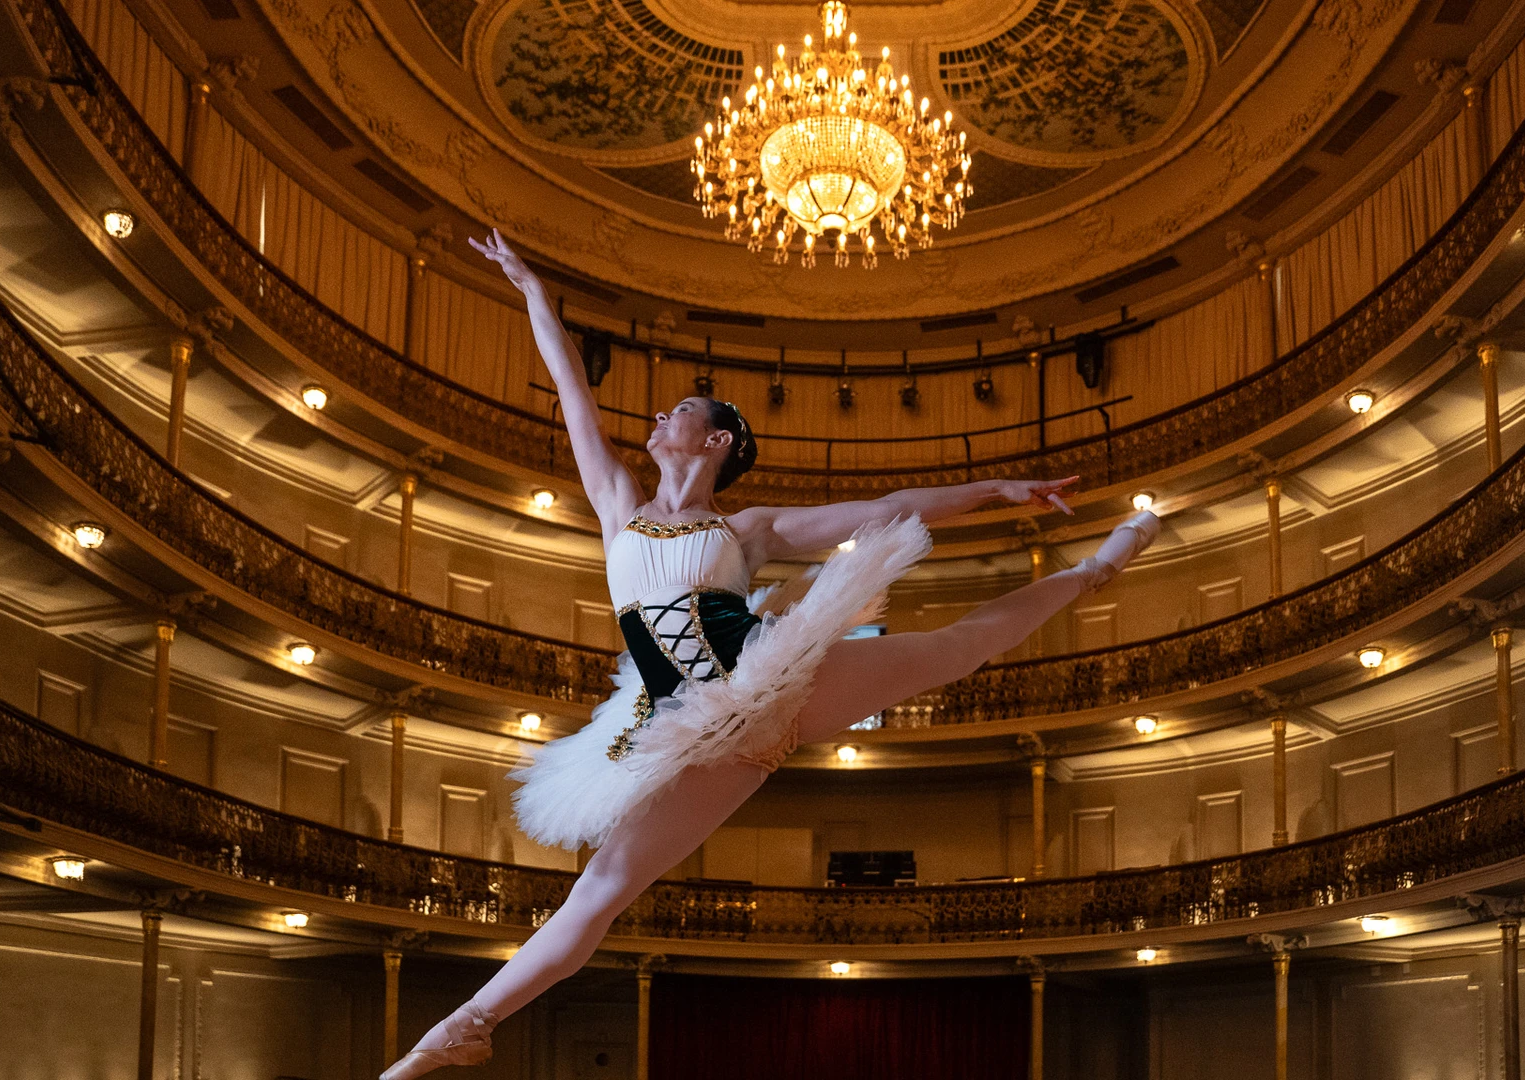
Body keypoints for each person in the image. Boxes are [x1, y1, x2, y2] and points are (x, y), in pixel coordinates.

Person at [381, 230, 1160, 1079]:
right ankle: (460, 1028)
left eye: (678, 411)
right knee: (601, 890)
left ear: (717, 442)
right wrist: (530, 285)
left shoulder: (748, 529)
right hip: (679, 724)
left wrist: (995, 489)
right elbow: (571, 388)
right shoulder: (617, 506)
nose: (658, 417)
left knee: (956, 650)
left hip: (769, 674)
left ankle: (1093, 570)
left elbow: (887, 504)